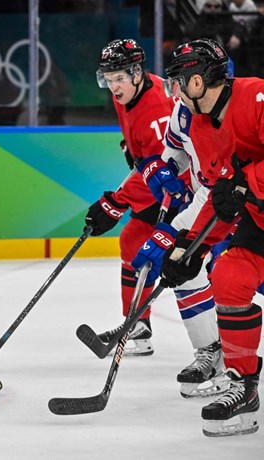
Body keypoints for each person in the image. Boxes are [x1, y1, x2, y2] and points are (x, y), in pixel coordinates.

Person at [154, 38, 262, 437]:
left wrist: (245, 183)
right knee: (229, 278)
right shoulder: (200, 125)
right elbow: (220, 194)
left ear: (198, 81)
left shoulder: (256, 96)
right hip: (259, 220)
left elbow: (238, 184)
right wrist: (188, 246)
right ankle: (244, 387)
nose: (176, 91)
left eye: (179, 82)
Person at [84, 39, 178, 357]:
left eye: (119, 78)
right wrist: (132, 149)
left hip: (185, 190)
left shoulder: (157, 110)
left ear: (137, 73)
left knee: (198, 268)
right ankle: (137, 325)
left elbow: (167, 170)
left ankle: (214, 344)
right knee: (133, 242)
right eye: (107, 79)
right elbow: (145, 156)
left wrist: (117, 201)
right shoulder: (127, 92)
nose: (113, 86)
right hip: (161, 184)